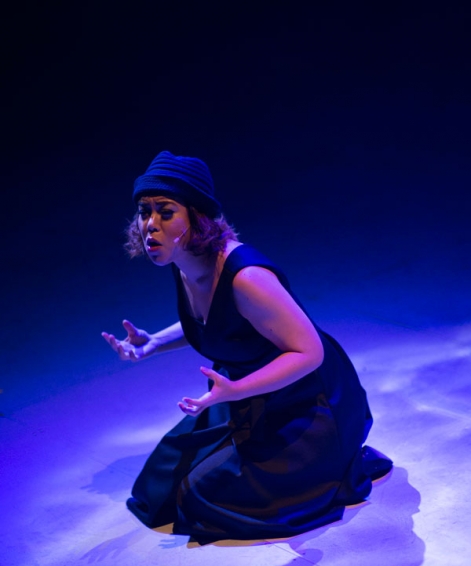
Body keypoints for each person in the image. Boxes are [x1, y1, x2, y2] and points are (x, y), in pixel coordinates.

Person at [102, 150, 392, 542]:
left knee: (200, 498)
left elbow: (310, 352)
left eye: (165, 212)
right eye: (144, 212)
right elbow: (218, 321)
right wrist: (155, 342)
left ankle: (337, 459)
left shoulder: (246, 277)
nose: (150, 225)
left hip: (309, 403)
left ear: (196, 217)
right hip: (251, 396)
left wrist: (237, 389)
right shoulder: (183, 262)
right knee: (155, 492)